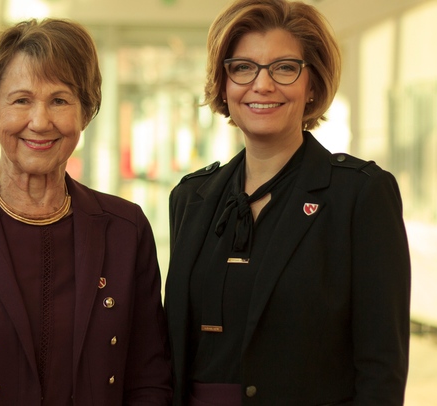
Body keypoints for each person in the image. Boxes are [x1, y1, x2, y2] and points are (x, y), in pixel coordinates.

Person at [0, 18, 171, 405]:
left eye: (59, 100)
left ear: (84, 113)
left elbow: (149, 376)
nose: (40, 122)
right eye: (21, 100)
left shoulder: (126, 228)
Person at [164, 0, 411, 405]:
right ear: (224, 83)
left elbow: (381, 366)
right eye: (243, 67)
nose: (262, 85)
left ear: (312, 83)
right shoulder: (191, 198)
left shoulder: (360, 196)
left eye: (284, 67)